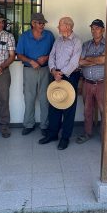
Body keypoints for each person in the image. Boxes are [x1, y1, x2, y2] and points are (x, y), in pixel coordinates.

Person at [38, 17, 82, 150]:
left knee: (69, 109)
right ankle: (52, 134)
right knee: (54, 105)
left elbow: (75, 62)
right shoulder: (58, 40)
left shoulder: (77, 41)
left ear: (68, 27)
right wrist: (53, 71)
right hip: (55, 75)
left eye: (60, 25)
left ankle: (65, 138)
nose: (57, 27)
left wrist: (61, 73)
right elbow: (51, 56)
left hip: (69, 76)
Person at [15, 12, 54, 136]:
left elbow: (55, 52)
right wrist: (31, 61)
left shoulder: (49, 35)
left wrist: (46, 57)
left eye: (43, 23)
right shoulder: (24, 36)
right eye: (40, 23)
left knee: (45, 98)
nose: (42, 25)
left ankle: (45, 125)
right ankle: (29, 124)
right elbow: (19, 54)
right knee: (29, 98)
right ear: (33, 23)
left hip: (45, 70)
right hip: (29, 70)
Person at [76, 19, 106, 144]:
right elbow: (80, 61)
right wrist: (97, 60)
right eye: (92, 28)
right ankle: (87, 133)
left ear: (103, 30)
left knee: (104, 110)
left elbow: (106, 60)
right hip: (87, 83)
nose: (94, 31)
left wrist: (89, 59)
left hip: (102, 83)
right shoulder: (86, 44)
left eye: (97, 28)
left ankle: (105, 135)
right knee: (87, 110)